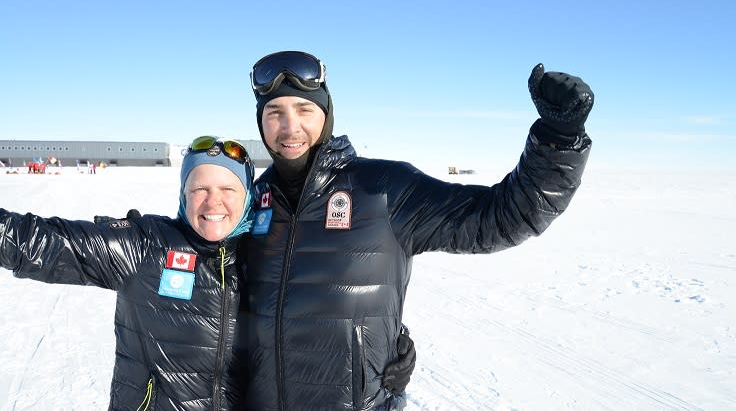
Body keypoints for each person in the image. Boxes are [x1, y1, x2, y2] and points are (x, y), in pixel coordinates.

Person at [237, 50, 594, 410]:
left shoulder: (385, 188)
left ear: (326, 114)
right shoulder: (248, 201)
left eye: (304, 110)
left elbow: (500, 217)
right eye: (274, 113)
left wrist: (558, 139)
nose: (290, 127)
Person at [1, 136, 256, 410]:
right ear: (184, 195)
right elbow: (43, 242)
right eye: (199, 189)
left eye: (228, 189)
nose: (213, 202)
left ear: (247, 196)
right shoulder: (146, 246)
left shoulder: (267, 256)